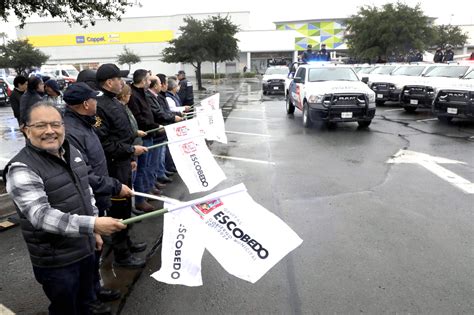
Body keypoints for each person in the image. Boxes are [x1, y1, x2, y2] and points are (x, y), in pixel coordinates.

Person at [3, 101, 126, 315]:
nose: (50, 131)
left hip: (84, 246)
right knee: (66, 308)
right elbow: (41, 216)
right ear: (25, 129)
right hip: (57, 260)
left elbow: (86, 192)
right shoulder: (21, 168)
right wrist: (93, 224)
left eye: (56, 124)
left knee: (86, 300)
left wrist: (94, 229)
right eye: (41, 125)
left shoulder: (71, 152)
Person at [63, 82, 137, 308]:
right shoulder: (72, 131)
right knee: (86, 253)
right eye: (93, 99)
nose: (97, 102)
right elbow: (82, 174)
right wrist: (114, 186)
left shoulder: (84, 124)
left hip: (97, 196)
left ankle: (94, 289)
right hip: (87, 199)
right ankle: (88, 300)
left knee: (95, 249)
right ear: (86, 103)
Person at [94, 63, 148, 269]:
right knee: (118, 209)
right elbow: (106, 143)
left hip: (123, 162)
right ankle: (121, 254)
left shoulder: (113, 102)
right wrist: (130, 151)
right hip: (114, 165)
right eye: (119, 79)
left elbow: (124, 133)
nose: (122, 83)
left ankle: (127, 242)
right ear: (109, 82)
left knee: (125, 206)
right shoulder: (101, 106)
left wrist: (131, 155)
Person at [127, 69, 162, 212]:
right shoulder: (134, 96)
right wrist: (155, 126)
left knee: (148, 166)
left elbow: (148, 114)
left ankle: (146, 192)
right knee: (141, 169)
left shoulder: (143, 93)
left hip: (149, 135)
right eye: (148, 79)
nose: (150, 82)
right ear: (142, 81)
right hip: (143, 137)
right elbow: (140, 119)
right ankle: (140, 200)